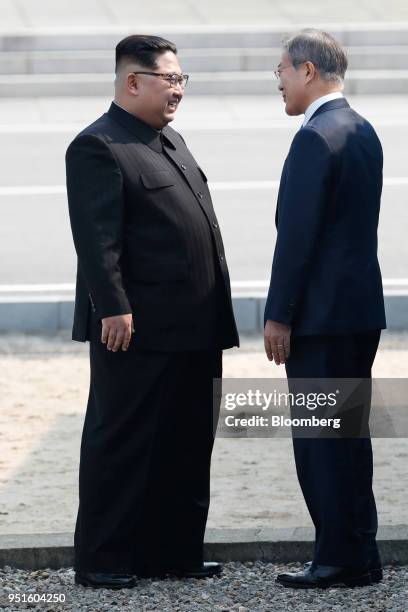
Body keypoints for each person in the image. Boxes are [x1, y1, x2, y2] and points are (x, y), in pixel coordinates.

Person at [66, 34, 239, 589]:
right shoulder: (99, 145)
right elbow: (97, 240)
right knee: (121, 443)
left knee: (188, 444)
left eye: (182, 80)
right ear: (133, 81)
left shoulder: (170, 140)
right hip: (135, 330)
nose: (178, 90)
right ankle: (103, 559)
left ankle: (174, 551)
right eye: (170, 79)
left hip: (193, 326)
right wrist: (112, 307)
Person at [264, 29, 386, 589]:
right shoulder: (362, 130)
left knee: (321, 441)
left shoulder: (314, 137)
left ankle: (338, 557)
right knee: (349, 437)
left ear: (307, 71)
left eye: (282, 71)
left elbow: (297, 238)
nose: (280, 82)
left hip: (321, 317)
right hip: (358, 312)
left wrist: (278, 314)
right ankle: (359, 552)